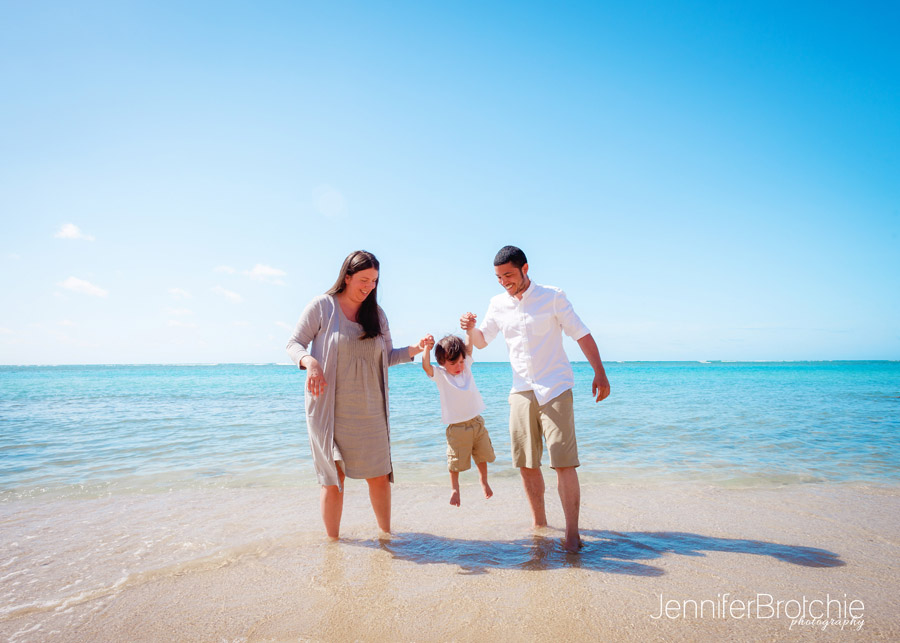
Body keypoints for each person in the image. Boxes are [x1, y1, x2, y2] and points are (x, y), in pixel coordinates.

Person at [461, 245, 610, 552]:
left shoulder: (552, 296)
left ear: (525, 269)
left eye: (509, 275)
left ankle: (572, 533)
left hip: (555, 386)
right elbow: (482, 342)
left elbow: (581, 333)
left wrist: (600, 372)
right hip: (521, 390)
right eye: (499, 277)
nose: (504, 281)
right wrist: (470, 329)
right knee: (526, 463)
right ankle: (539, 525)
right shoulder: (498, 304)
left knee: (563, 462)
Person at [286, 250, 429, 539]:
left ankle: (387, 538)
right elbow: (294, 344)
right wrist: (310, 362)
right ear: (347, 277)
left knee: (378, 476)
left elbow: (386, 356)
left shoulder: (376, 314)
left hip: (370, 410)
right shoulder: (322, 307)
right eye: (363, 280)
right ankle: (333, 546)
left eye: (374, 281)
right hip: (329, 411)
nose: (369, 287)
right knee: (334, 480)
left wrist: (413, 350)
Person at [421, 332, 496, 507]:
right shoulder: (440, 375)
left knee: (482, 454)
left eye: (461, 361)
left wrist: (470, 330)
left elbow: (469, 348)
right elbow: (426, 366)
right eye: (453, 363)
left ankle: (483, 481)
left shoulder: (466, 367)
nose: (458, 366)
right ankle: (455, 488)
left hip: (477, 422)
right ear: (442, 362)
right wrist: (426, 347)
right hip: (457, 428)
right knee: (455, 461)